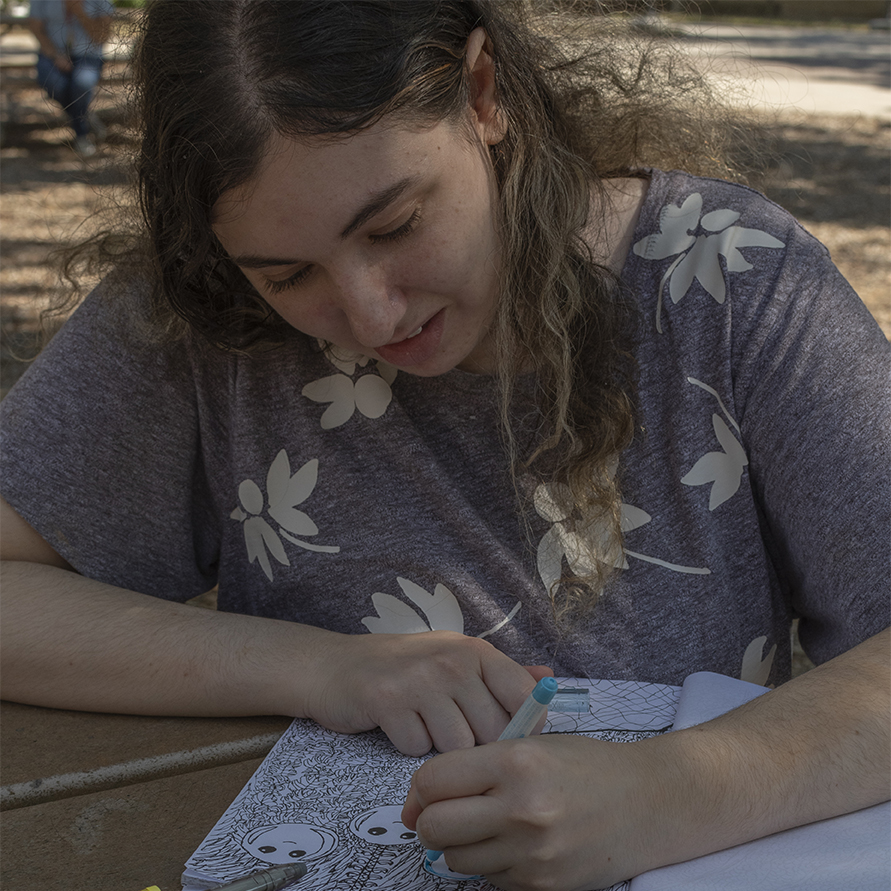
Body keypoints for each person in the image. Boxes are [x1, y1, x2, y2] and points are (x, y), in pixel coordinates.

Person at [1, 2, 888, 889]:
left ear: (481, 93)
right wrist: (317, 667)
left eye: (392, 227)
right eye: (287, 275)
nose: (369, 314)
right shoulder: (199, 311)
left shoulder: (728, 284)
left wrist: (666, 795)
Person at [25, 0, 115, 157]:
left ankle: (81, 134)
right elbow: (36, 28)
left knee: (82, 83)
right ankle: (83, 118)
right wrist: (55, 55)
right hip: (52, 53)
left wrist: (78, 11)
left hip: (88, 55)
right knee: (54, 83)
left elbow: (102, 36)